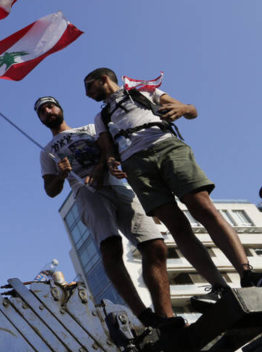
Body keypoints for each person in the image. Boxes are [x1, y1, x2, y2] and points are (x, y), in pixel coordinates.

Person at [83, 67, 262, 311]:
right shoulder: (101, 117)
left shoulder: (143, 90)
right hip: (136, 166)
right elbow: (107, 150)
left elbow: (191, 110)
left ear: (104, 79)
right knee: (176, 226)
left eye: (89, 85)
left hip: (166, 146)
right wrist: (112, 161)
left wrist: (183, 109)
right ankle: (219, 288)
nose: (87, 93)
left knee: (203, 208)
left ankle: (247, 272)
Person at [35, 96, 183, 329]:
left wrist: (100, 167)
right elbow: (50, 190)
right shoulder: (47, 153)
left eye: (50, 106)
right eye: (42, 111)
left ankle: (167, 315)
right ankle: (144, 315)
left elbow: (110, 149)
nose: (48, 111)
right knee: (111, 247)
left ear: (60, 108)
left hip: (117, 185)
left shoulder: (90, 128)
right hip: (86, 192)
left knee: (155, 245)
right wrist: (62, 175)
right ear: (40, 119)